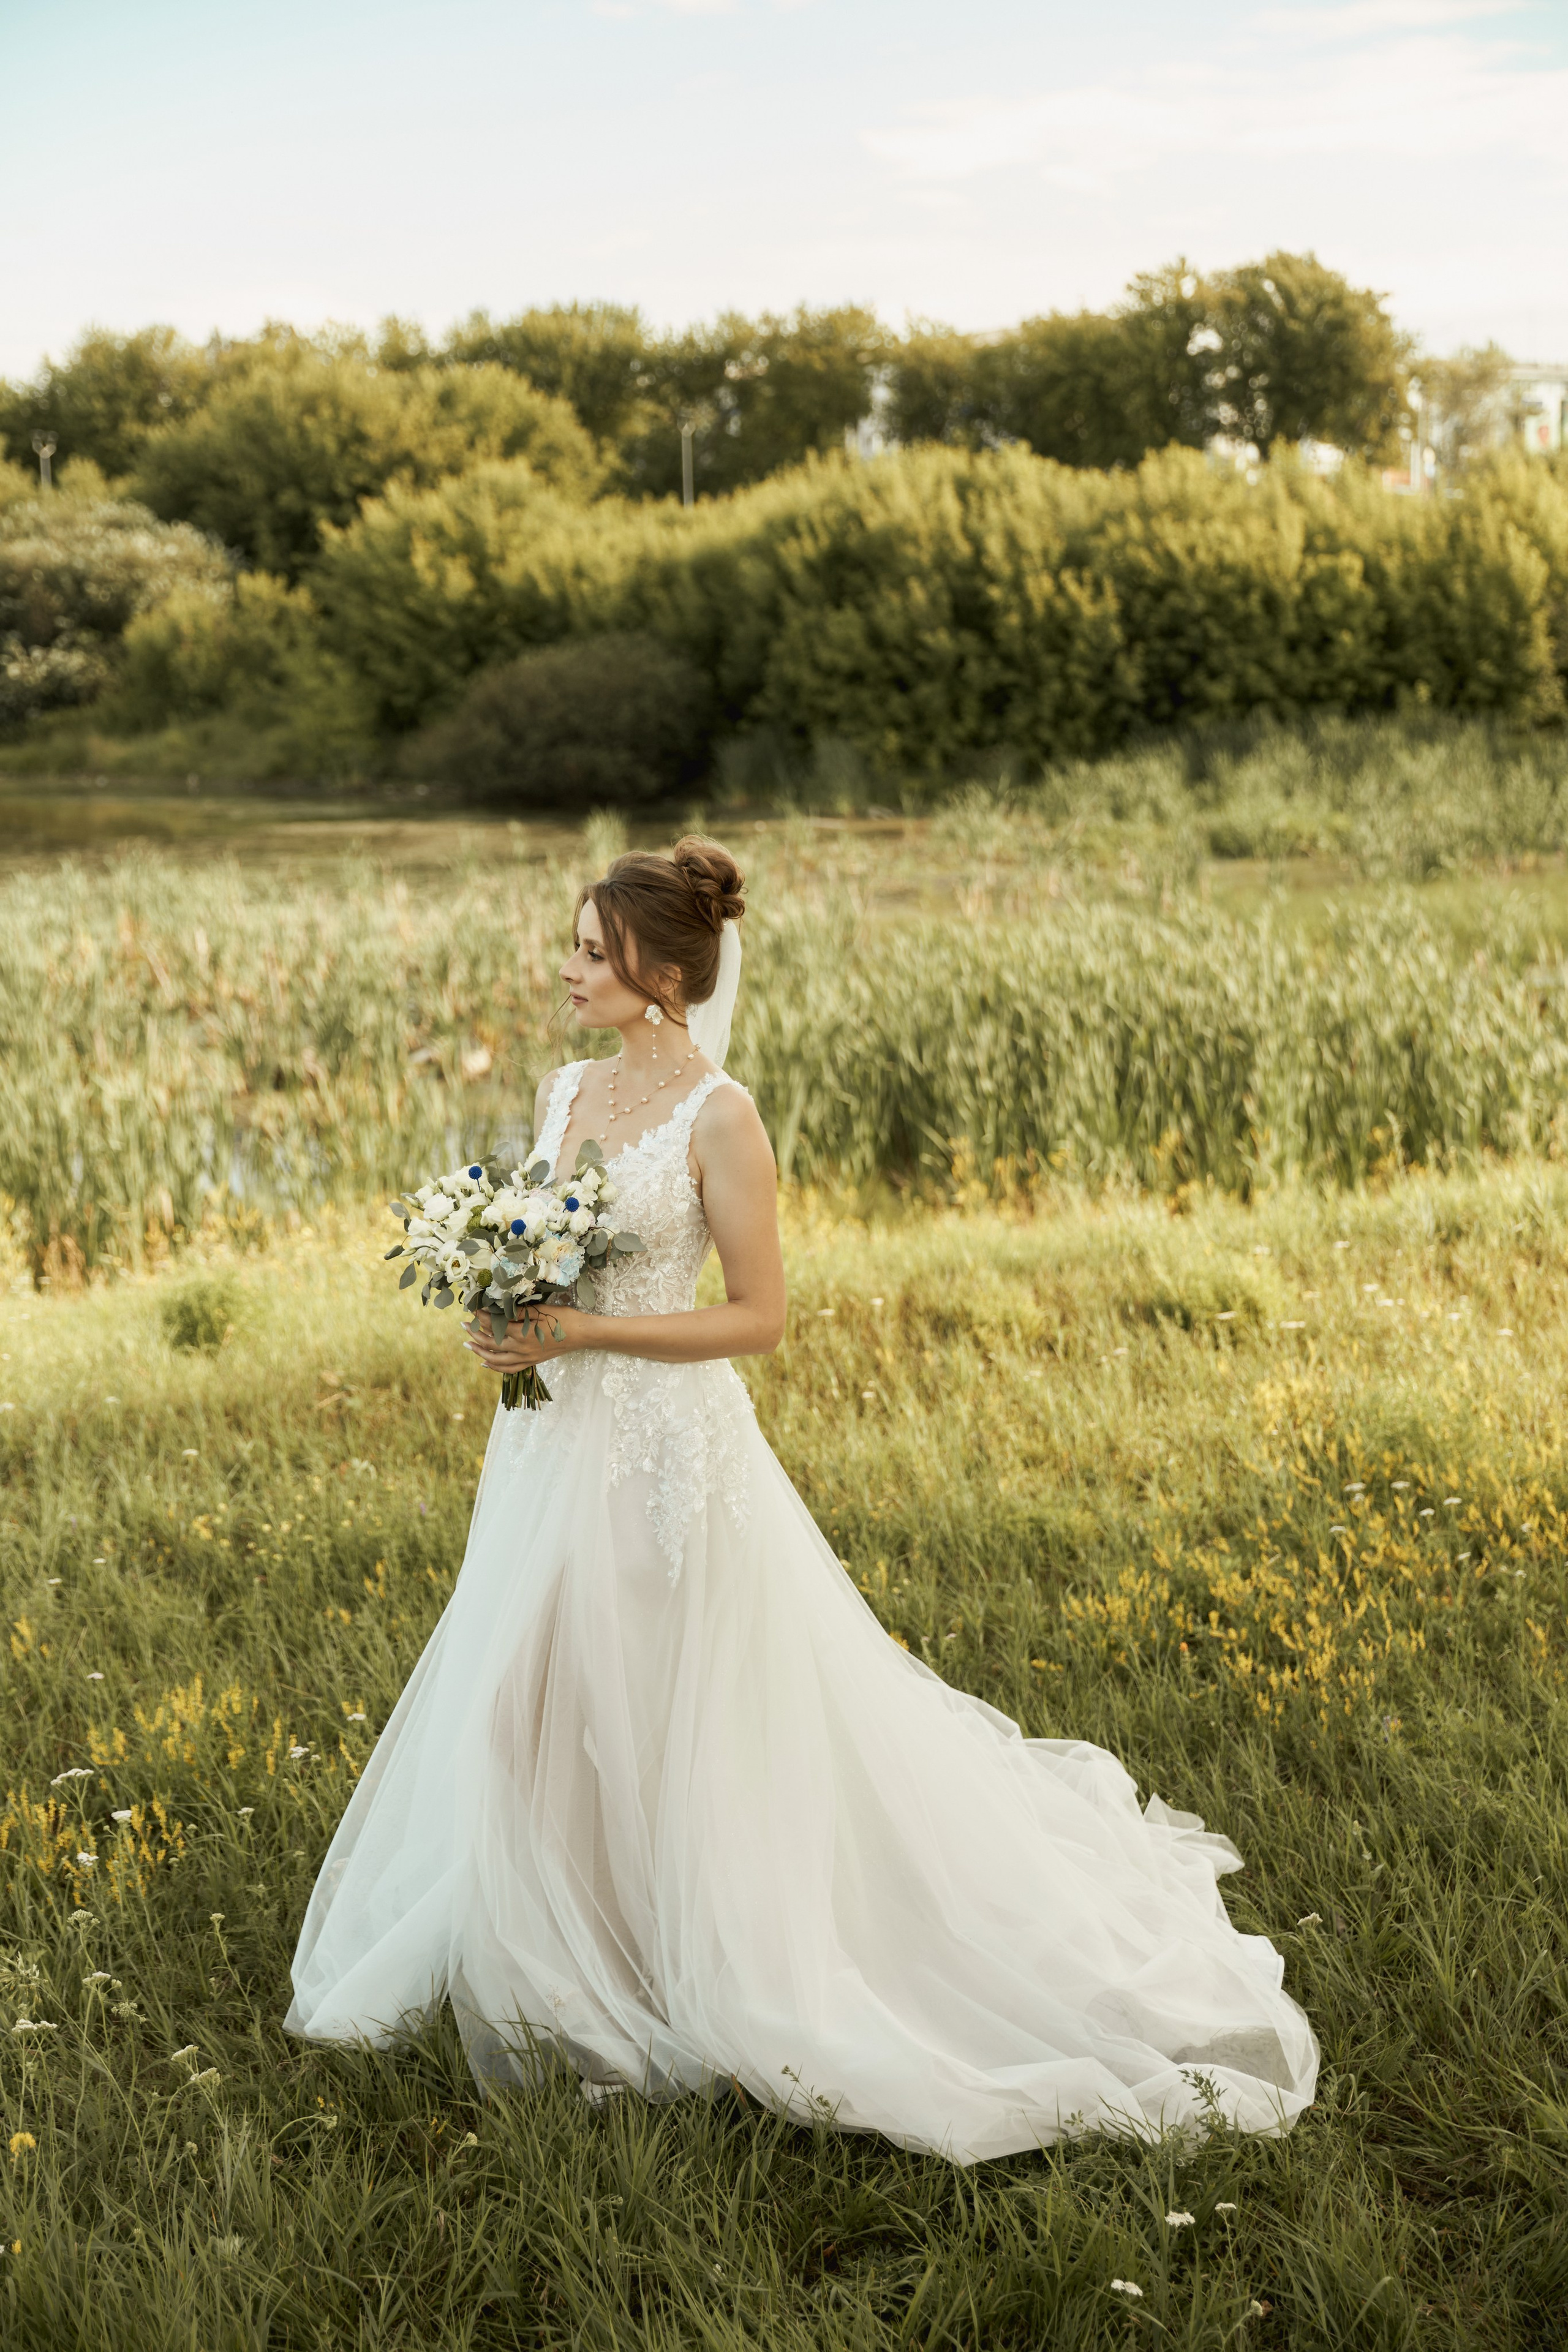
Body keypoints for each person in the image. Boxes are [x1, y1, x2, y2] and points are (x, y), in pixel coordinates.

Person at [286, 836, 1317, 2162]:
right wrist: (506, 1309)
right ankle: (571, 1980)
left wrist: (584, 1338)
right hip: (551, 1454)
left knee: (663, 1716)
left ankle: (672, 1980)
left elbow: (758, 1319)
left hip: (667, 1457)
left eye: (592, 953)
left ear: (662, 972)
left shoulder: (722, 1115)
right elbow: (548, 1254)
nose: (566, 969)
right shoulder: (560, 1092)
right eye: (574, 947)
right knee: (524, 1706)